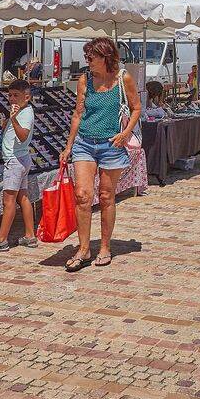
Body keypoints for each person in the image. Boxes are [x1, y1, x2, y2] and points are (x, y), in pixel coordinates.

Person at [60, 37, 141, 272]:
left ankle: (105, 247)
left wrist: (125, 133)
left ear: (106, 57)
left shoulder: (123, 78)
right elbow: (77, 114)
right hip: (84, 143)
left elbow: (136, 108)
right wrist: (68, 146)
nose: (87, 61)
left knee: (106, 196)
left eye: (91, 57)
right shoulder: (84, 79)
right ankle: (84, 249)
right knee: (82, 195)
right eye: (86, 56)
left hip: (111, 144)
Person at [0, 80, 38, 252]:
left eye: (16, 95)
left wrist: (13, 119)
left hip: (15, 161)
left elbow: (23, 136)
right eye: (10, 95)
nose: (12, 99)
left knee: (8, 201)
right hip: (21, 158)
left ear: (27, 97)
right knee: (23, 197)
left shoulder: (25, 114)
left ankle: (1, 240)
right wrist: (9, 121)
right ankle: (30, 235)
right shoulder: (22, 111)